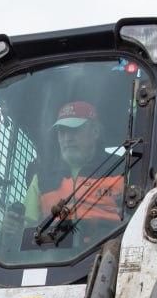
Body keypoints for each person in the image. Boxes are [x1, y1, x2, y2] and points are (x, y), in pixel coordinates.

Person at [14, 100, 123, 244]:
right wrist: (14, 228)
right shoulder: (42, 178)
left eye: (74, 130)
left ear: (95, 132)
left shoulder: (122, 169)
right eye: (62, 132)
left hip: (110, 254)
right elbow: (28, 226)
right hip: (54, 256)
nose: (67, 138)